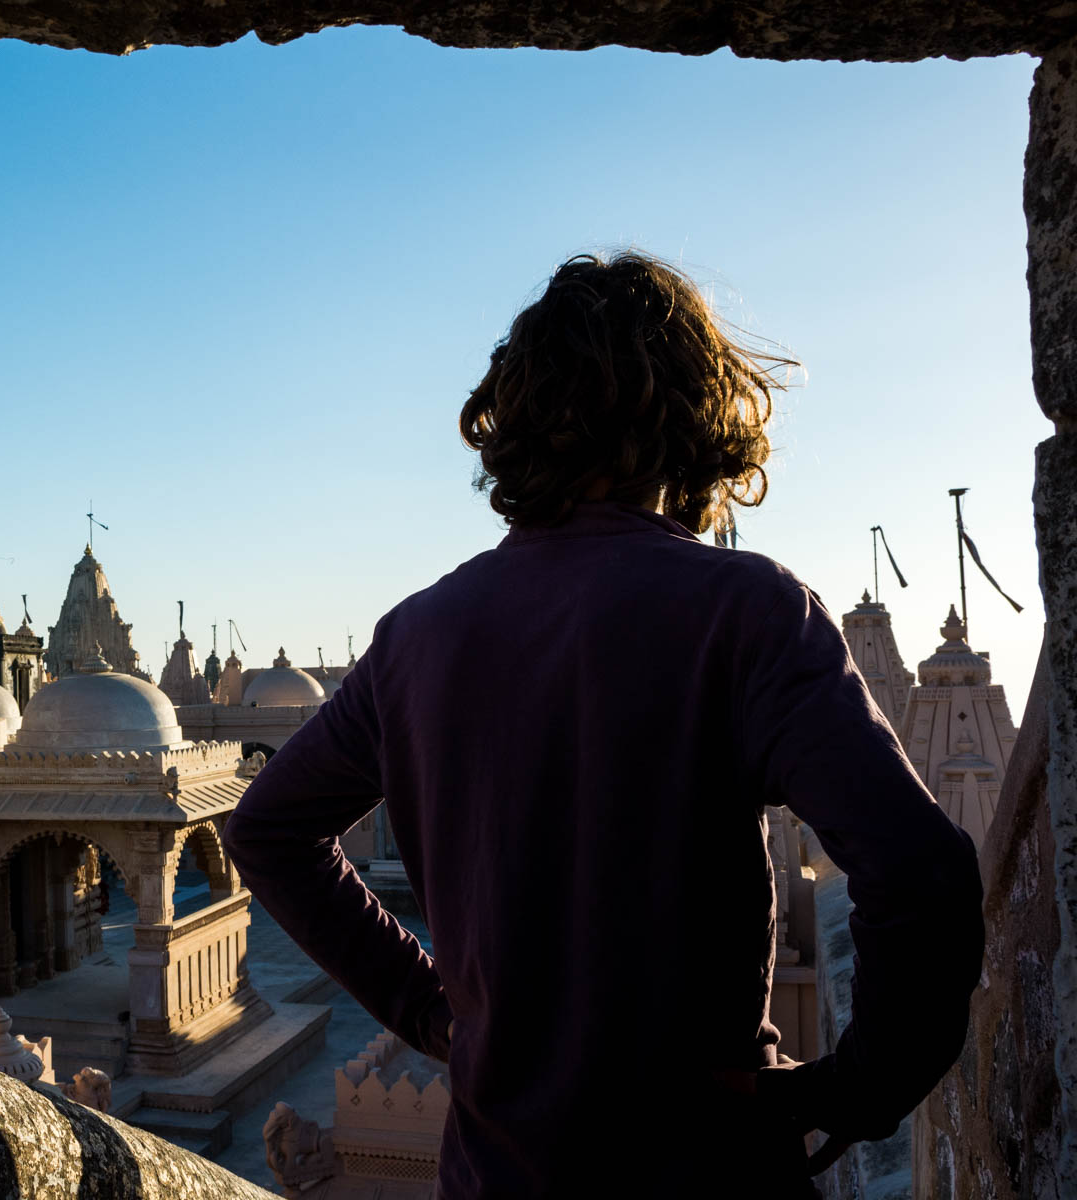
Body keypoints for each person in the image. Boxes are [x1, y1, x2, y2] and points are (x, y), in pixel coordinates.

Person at [222, 252, 983, 1198]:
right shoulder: (746, 615)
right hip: (710, 1169)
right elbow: (924, 876)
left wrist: (429, 1012)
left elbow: (266, 830)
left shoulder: (417, 637)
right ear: (694, 419)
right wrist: (854, 1088)